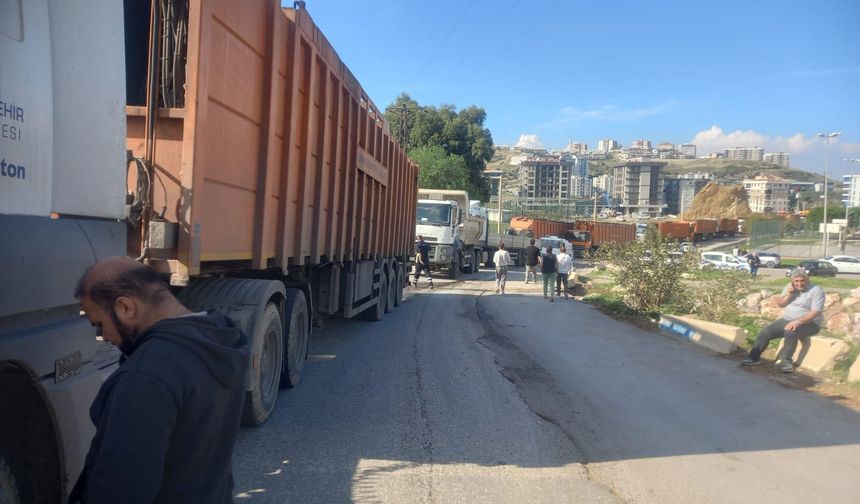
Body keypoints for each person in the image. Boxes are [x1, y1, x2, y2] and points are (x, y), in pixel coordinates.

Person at [69, 257, 249, 504]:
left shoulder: (145, 377)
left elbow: (121, 489)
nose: (104, 337)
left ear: (125, 308)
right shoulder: (221, 338)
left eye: (99, 325)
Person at [741, 269, 825, 373]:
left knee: (790, 332)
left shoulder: (816, 290)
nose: (800, 283)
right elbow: (781, 304)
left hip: (810, 323)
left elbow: (815, 312)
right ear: (793, 281)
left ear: (807, 280)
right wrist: (789, 295)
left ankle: (786, 362)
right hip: (787, 319)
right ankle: (753, 357)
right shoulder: (789, 287)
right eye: (797, 281)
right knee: (766, 331)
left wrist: (797, 322)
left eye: (802, 281)